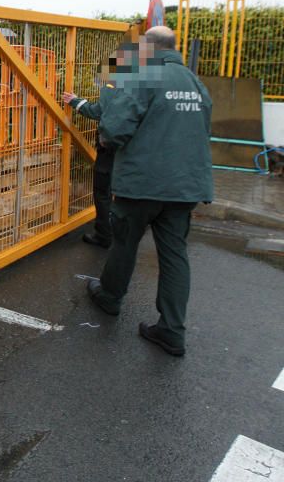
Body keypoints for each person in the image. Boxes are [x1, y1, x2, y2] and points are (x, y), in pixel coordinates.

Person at [85, 26, 213, 357]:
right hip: (184, 187)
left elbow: (115, 126)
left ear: (149, 47)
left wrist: (108, 139)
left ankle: (110, 297)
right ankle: (172, 330)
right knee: (174, 255)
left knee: (125, 243)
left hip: (143, 183)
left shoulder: (145, 76)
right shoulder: (195, 82)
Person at [61, 42, 138, 249]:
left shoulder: (112, 86)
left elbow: (98, 112)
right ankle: (127, 231)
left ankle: (105, 235)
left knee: (103, 191)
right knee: (123, 190)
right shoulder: (142, 84)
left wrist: (76, 102)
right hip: (133, 147)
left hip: (111, 145)